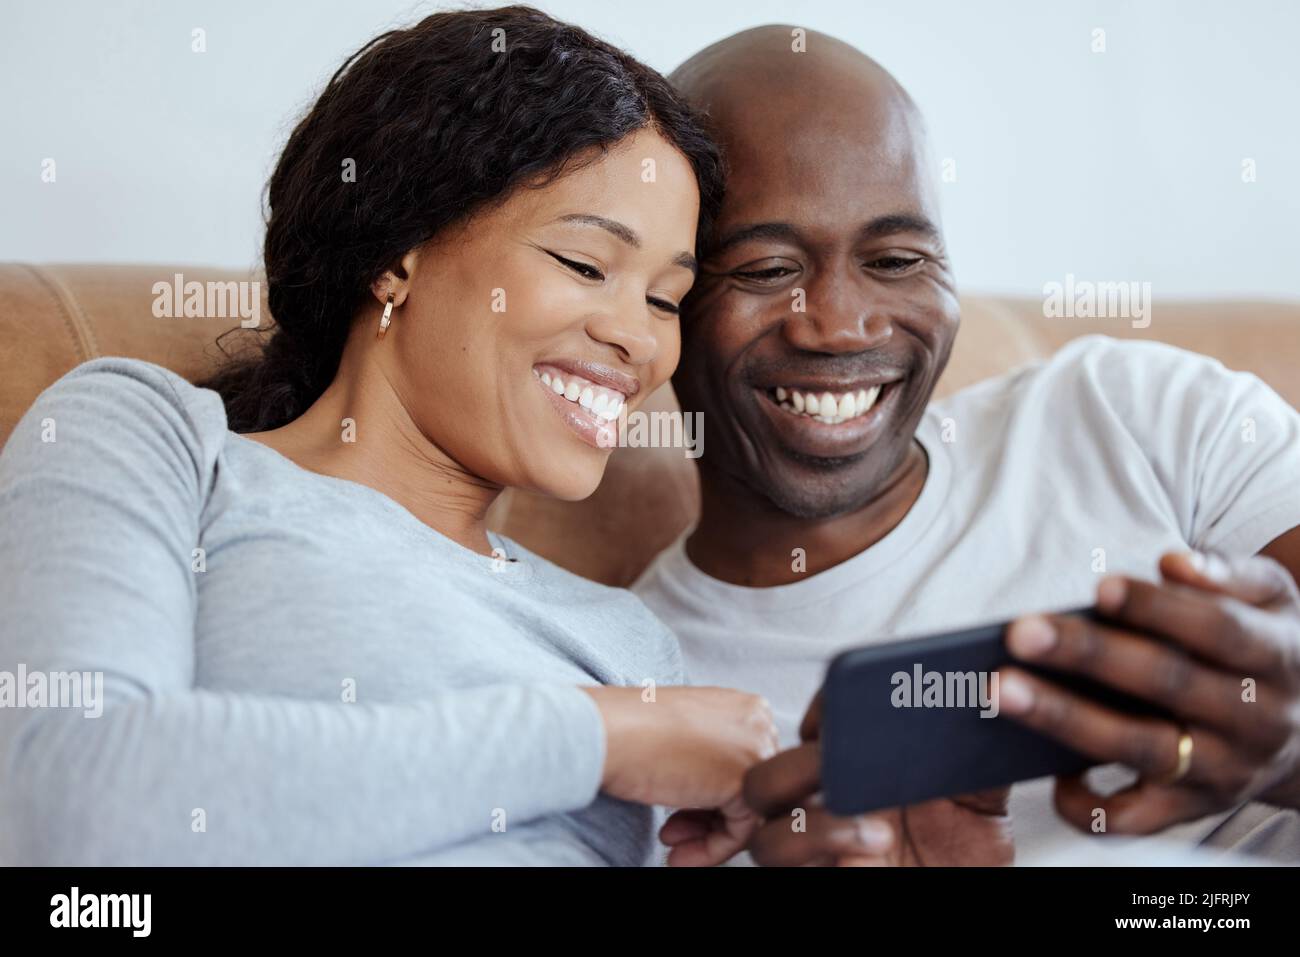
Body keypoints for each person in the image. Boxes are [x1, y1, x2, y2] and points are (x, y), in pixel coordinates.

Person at [0, 6, 779, 866]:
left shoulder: (629, 642)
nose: (639, 339)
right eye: (586, 266)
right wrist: (592, 736)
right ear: (397, 252)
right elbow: (65, 799)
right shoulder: (153, 441)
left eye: (666, 299)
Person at [634, 25, 1300, 866]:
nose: (843, 324)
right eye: (766, 269)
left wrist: (1287, 748)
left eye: (897, 257)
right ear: (664, 302)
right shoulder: (644, 692)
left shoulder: (1137, 414)